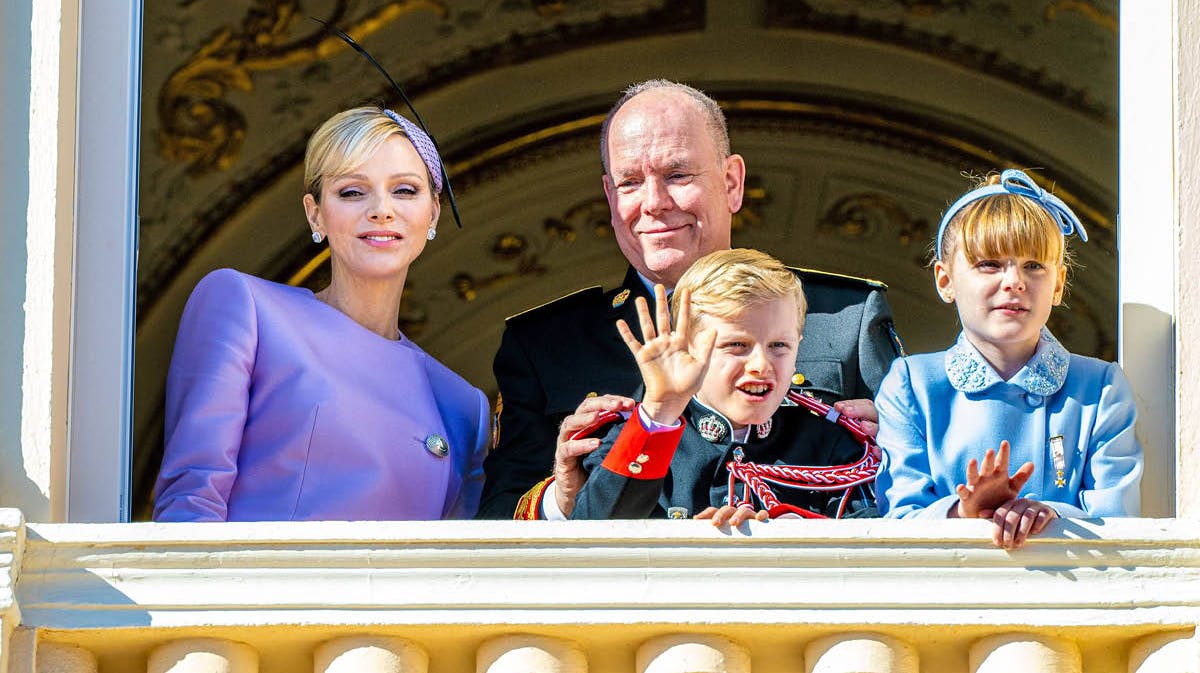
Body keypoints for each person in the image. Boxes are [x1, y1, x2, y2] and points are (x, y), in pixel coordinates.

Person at [481, 79, 902, 520]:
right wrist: (564, 500)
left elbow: (913, 495)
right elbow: (491, 525)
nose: (653, 203)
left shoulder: (845, 319)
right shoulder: (546, 344)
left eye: (677, 175)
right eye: (629, 182)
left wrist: (897, 442)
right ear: (609, 196)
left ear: (732, 182)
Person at [154, 106, 489, 522]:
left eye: (405, 190)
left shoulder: (463, 407)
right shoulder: (246, 307)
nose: (382, 209)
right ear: (315, 212)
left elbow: (458, 568)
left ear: (433, 213)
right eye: (352, 192)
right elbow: (191, 503)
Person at [874, 169, 1143, 548]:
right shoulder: (911, 384)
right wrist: (966, 512)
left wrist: (1049, 515)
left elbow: (1118, 521)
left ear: (1059, 284)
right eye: (990, 264)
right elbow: (898, 516)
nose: (1014, 281)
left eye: (1034, 266)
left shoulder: (1099, 388)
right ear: (945, 280)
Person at [570, 249, 877, 523]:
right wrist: (660, 411)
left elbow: (874, 549)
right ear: (688, 349)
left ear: (799, 346)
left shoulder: (832, 446)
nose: (760, 364)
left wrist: (783, 530)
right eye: (736, 345)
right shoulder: (633, 435)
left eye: (779, 345)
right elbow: (593, 530)